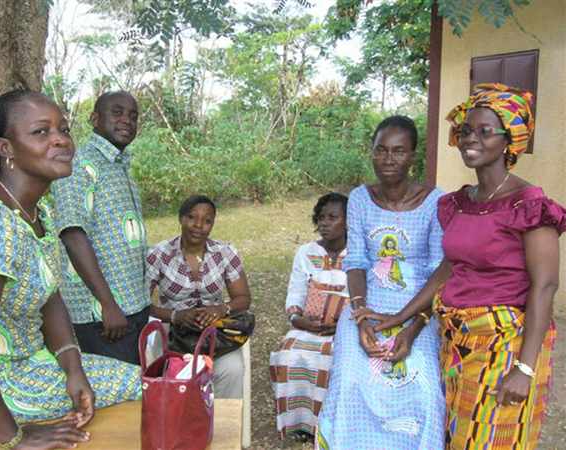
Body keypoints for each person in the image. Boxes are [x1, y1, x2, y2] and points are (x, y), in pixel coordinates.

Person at [360, 84, 566, 449]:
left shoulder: (528, 204)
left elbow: (545, 286)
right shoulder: (460, 202)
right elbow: (448, 269)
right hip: (456, 341)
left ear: (509, 140)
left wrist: (524, 368)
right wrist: (400, 317)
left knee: (492, 439)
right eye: (466, 130)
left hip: (504, 343)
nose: (471, 138)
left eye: (485, 131)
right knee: (457, 436)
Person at [0, 90, 141, 449]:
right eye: (41, 132)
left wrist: (74, 369)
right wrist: (14, 437)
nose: (61, 139)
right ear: (6, 148)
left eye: (63, 129)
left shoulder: (38, 214)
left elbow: (51, 298)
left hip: (38, 365)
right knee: (145, 387)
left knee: (152, 383)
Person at [317, 116, 446, 449]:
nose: (389, 159)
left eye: (399, 151)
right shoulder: (360, 199)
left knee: (424, 391)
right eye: (381, 150)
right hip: (368, 305)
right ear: (372, 152)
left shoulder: (436, 202)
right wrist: (361, 317)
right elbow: (357, 262)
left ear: (413, 156)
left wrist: (412, 329)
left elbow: (439, 272)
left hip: (420, 310)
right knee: (349, 383)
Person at [51, 91, 150, 365]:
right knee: (115, 390)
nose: (126, 120)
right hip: (104, 315)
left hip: (133, 305)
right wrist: (107, 304)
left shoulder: (120, 166)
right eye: (117, 113)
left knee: (136, 385)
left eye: (133, 115)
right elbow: (72, 234)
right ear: (95, 119)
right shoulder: (78, 165)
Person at [146, 195, 251, 398]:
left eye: (207, 220)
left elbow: (243, 298)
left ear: (213, 224)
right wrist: (175, 316)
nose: (198, 225)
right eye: (192, 217)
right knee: (172, 373)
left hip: (215, 333)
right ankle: (177, 416)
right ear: (181, 218)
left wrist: (220, 309)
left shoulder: (225, 253)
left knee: (233, 369)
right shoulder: (158, 254)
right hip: (173, 333)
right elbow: (141, 305)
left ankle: (224, 417)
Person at [269, 193, 349, 442]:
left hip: (344, 329)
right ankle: (301, 424)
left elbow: (362, 297)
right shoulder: (306, 252)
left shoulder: (358, 253)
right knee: (288, 355)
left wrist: (343, 325)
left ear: (348, 221)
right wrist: (297, 319)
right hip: (306, 325)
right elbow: (295, 291)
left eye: (333, 217)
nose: (324, 223)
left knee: (332, 359)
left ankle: (328, 426)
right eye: (321, 217)